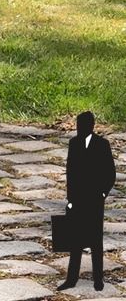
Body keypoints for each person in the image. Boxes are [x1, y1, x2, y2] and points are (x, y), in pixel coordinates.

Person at [66, 111, 115, 292]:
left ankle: (98, 280)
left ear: (91, 126)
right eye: (78, 124)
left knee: (96, 242)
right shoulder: (74, 143)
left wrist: (102, 194)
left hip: (94, 201)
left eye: (83, 125)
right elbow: (70, 173)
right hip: (78, 200)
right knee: (75, 241)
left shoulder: (102, 145)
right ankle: (71, 279)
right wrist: (70, 199)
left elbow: (110, 173)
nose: (80, 128)